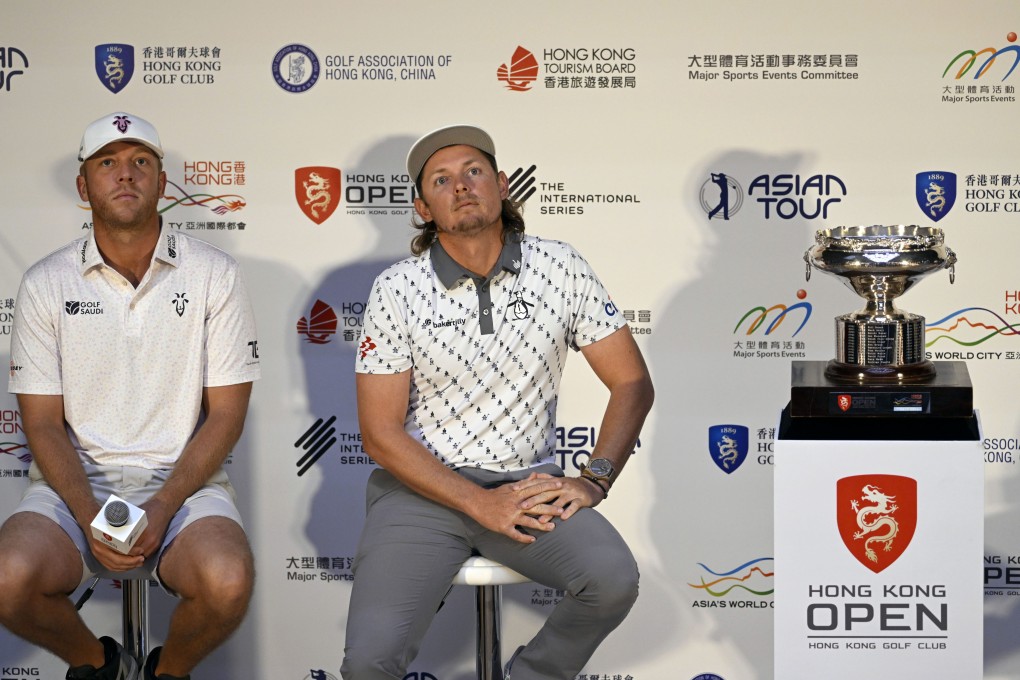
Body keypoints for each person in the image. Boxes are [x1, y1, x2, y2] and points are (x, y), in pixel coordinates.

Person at [342, 125, 654, 680]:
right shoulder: (397, 287)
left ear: (502, 185)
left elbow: (631, 383)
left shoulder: (560, 266)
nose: (461, 186)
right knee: (369, 662)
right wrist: (476, 502)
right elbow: (380, 434)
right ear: (423, 206)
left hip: (525, 486)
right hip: (422, 492)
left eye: (474, 171)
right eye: (442, 180)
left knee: (611, 581)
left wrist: (595, 479)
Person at [0, 112, 261, 680]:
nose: (126, 175)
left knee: (228, 581)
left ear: (163, 183)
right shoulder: (47, 282)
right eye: (108, 163)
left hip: (183, 484)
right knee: (7, 579)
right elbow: (41, 424)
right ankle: (102, 666)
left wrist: (164, 506)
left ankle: (168, 675)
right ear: (83, 185)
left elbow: (227, 415)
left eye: (141, 162)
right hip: (75, 483)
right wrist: (91, 513)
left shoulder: (214, 273)